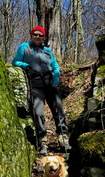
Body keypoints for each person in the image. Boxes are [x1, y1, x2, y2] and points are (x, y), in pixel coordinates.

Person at [12, 26, 71, 155]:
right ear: (31, 35)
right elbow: (15, 62)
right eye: (35, 34)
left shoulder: (48, 51)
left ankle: (63, 138)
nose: (37, 37)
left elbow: (55, 66)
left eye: (40, 35)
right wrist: (26, 66)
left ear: (44, 37)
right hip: (36, 84)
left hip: (51, 84)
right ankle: (42, 140)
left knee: (58, 110)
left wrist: (55, 79)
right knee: (38, 112)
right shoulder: (24, 47)